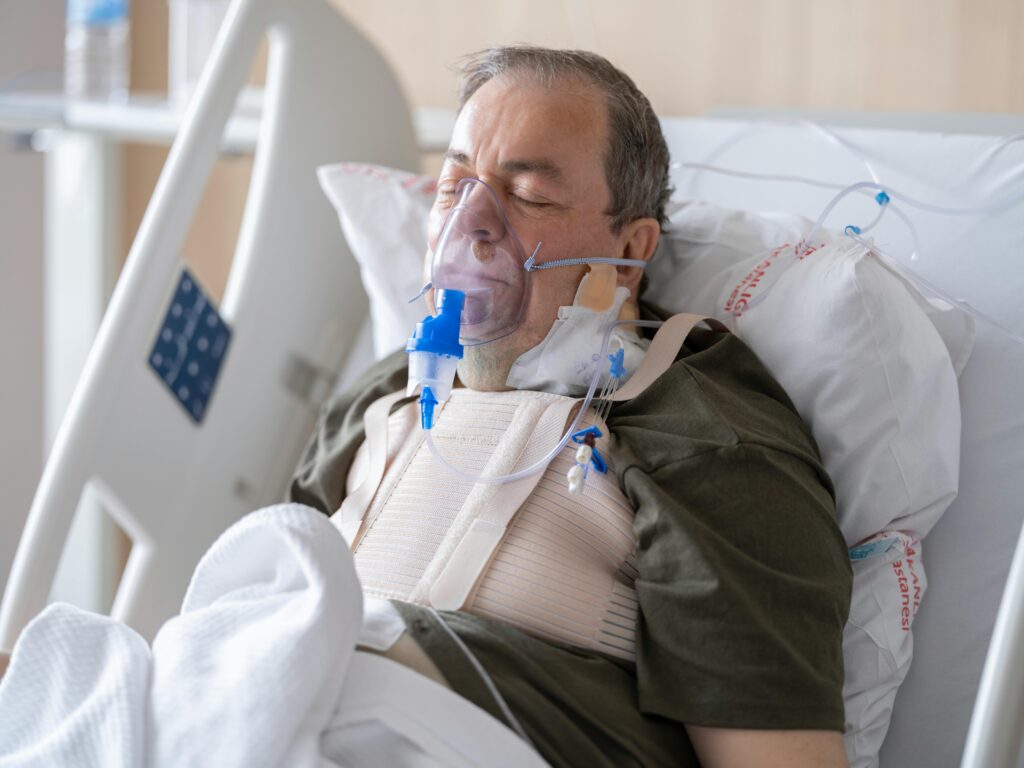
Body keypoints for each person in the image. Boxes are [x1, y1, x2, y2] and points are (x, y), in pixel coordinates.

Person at [291, 46, 852, 768]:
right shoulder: (377, 400)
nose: (473, 223)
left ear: (628, 253)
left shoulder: (705, 439)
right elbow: (256, 601)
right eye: (455, 183)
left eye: (527, 193)